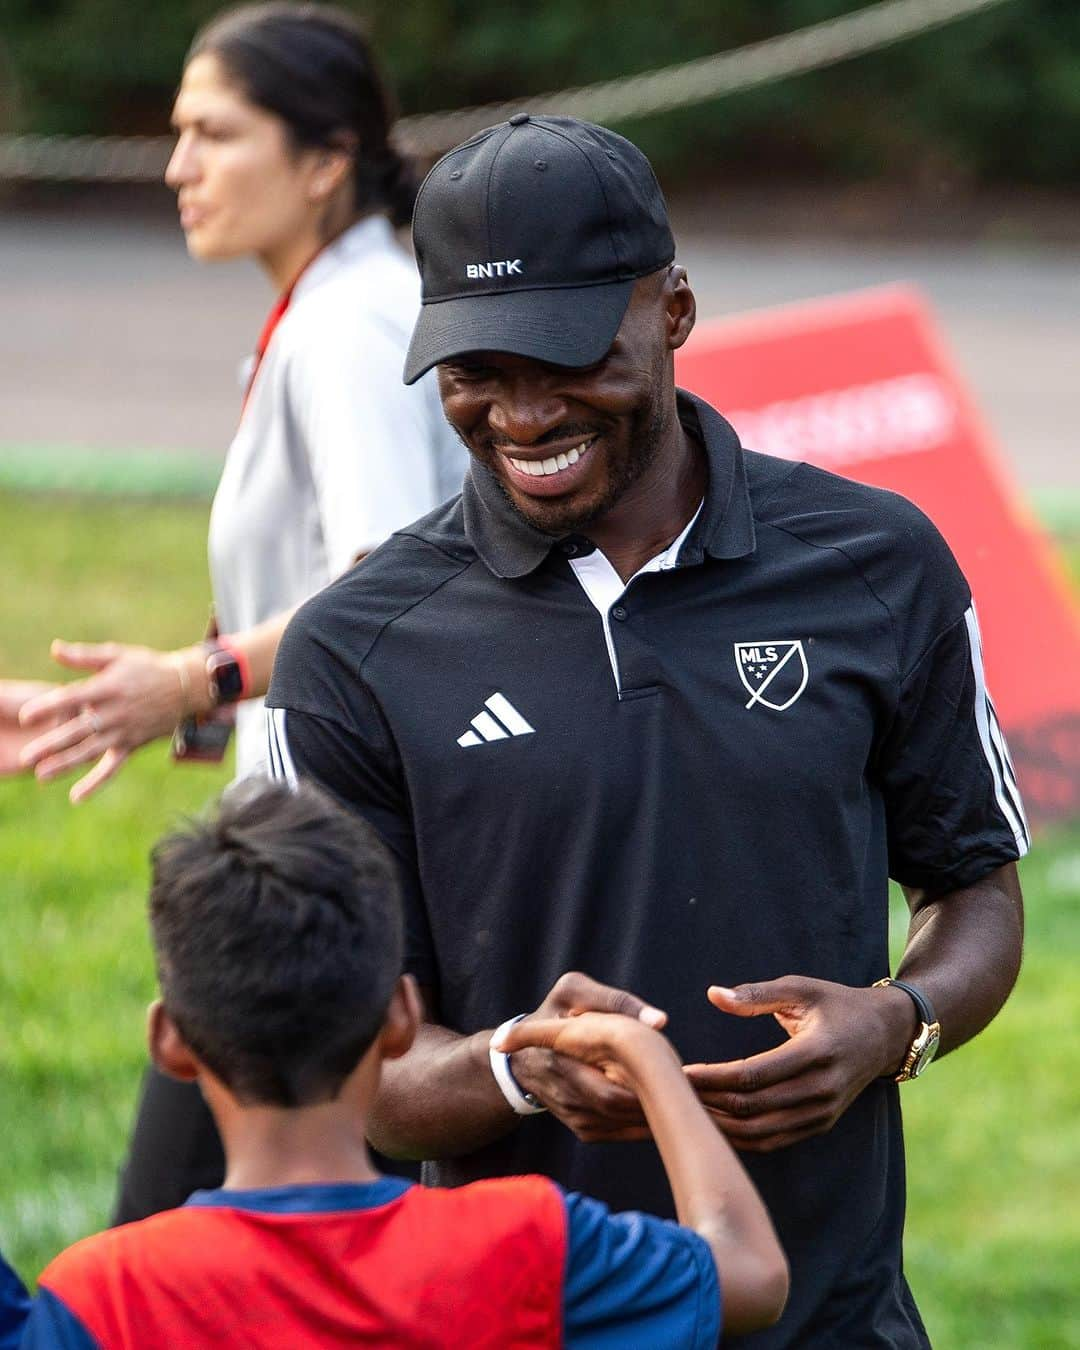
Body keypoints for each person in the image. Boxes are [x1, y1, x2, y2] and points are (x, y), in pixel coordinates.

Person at [265, 115, 1030, 1347]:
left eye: (566, 358)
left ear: (671, 311)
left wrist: (899, 1021)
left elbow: (974, 887)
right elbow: (353, 1074)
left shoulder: (878, 565)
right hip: (516, 1324)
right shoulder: (354, 651)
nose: (520, 415)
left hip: (833, 1322)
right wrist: (515, 1065)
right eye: (475, 370)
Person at [1, 2, 465, 1222]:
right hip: (325, 844)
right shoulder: (332, 307)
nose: (176, 166)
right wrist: (139, 701)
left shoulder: (349, 327)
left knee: (164, 1256)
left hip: (337, 867)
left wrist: (193, 680)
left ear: (323, 160)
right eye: (175, 132)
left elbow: (388, 596)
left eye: (214, 133)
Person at [0, 780, 789, 1347]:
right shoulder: (523, 1243)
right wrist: (646, 1057)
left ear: (169, 1040)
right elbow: (750, 1274)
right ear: (402, 1017)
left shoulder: (104, 1298)